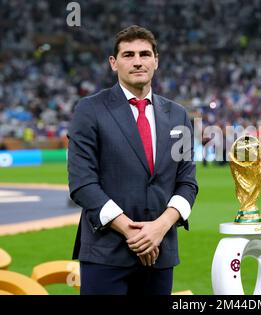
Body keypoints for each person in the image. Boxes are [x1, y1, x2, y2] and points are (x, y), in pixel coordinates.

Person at [68, 25, 198, 295]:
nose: (138, 61)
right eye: (128, 55)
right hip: (106, 254)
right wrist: (134, 233)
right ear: (113, 63)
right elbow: (82, 183)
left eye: (145, 54)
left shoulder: (179, 115)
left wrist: (159, 229)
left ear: (156, 61)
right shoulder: (90, 109)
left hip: (161, 253)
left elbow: (187, 183)